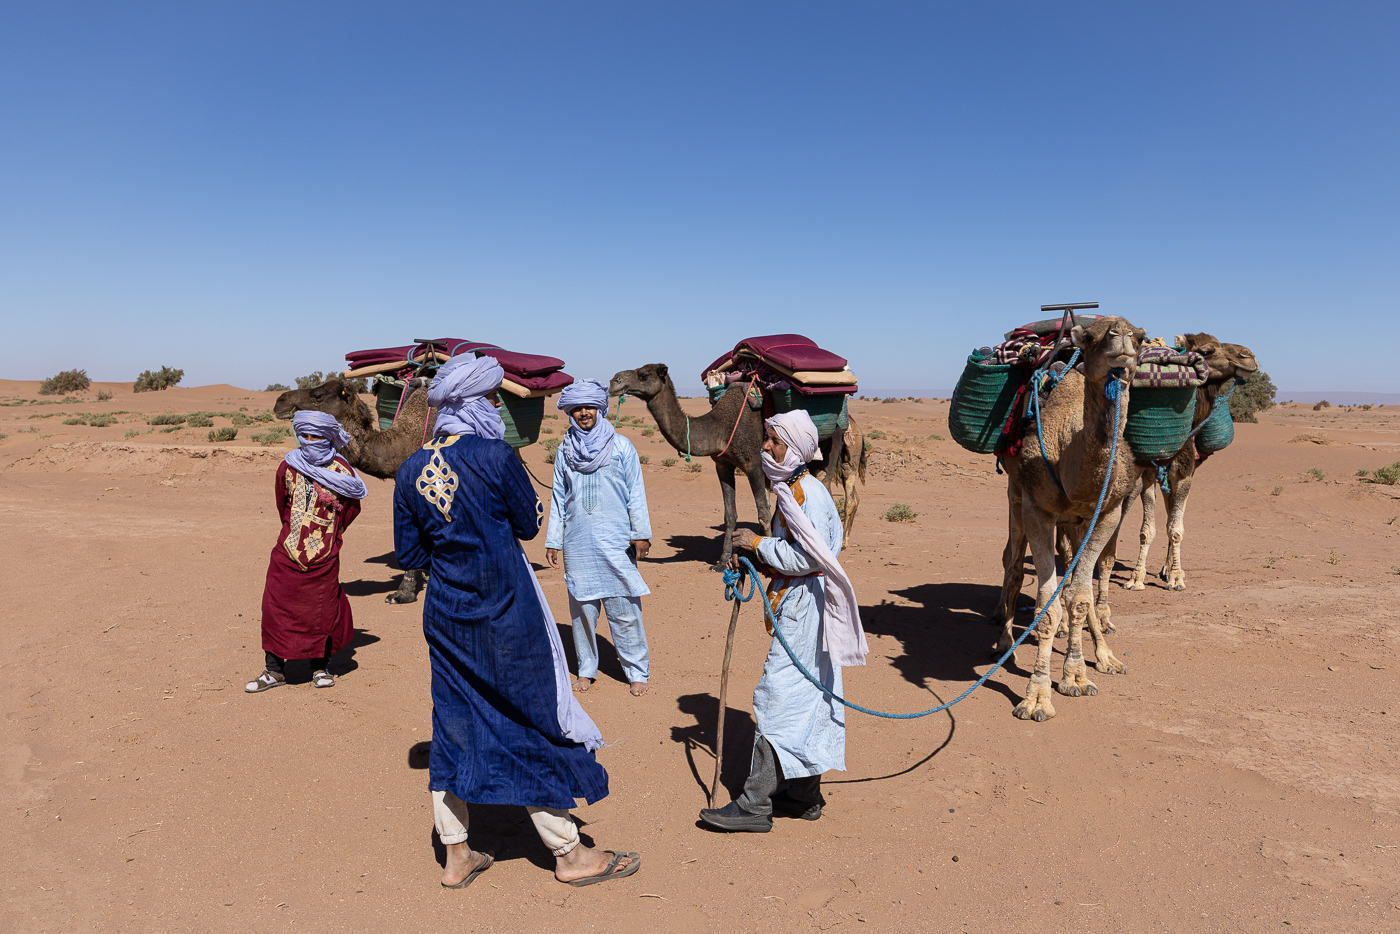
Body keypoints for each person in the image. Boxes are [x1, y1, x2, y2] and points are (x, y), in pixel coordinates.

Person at [393, 354, 641, 889]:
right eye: (491, 400)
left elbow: (409, 555)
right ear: (477, 403)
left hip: (447, 616)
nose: (495, 409)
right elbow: (529, 525)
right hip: (506, 609)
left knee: (453, 723)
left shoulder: (410, 468)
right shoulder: (495, 455)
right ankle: (569, 853)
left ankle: (457, 854)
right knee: (530, 716)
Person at [698, 409, 868, 833]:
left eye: (774, 441)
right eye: (768, 438)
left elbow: (807, 558)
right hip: (799, 602)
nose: (765, 446)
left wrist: (757, 543)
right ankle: (804, 795)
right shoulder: (792, 490)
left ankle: (755, 804)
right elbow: (792, 551)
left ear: (794, 448)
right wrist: (756, 555)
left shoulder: (808, 494)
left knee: (776, 699)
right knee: (807, 698)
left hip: (806, 609)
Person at [544, 379, 653, 696]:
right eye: (578, 408)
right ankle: (586, 669)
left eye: (589, 407)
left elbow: (636, 492)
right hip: (578, 544)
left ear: (599, 408)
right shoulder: (565, 450)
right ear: (571, 412)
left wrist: (641, 533)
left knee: (625, 611)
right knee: (582, 614)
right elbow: (559, 498)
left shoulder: (622, 446)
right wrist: (554, 540)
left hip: (616, 542)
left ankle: (636, 671)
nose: (584, 413)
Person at [246, 410, 368, 693]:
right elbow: (283, 506)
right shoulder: (288, 467)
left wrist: (329, 536)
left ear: (328, 437)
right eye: (305, 436)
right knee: (275, 609)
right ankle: (274, 670)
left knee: (322, 612)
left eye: (316, 436)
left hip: (325, 556)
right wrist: (296, 532)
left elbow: (351, 509)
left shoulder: (343, 472)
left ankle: (320, 668)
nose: (310, 441)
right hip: (287, 553)